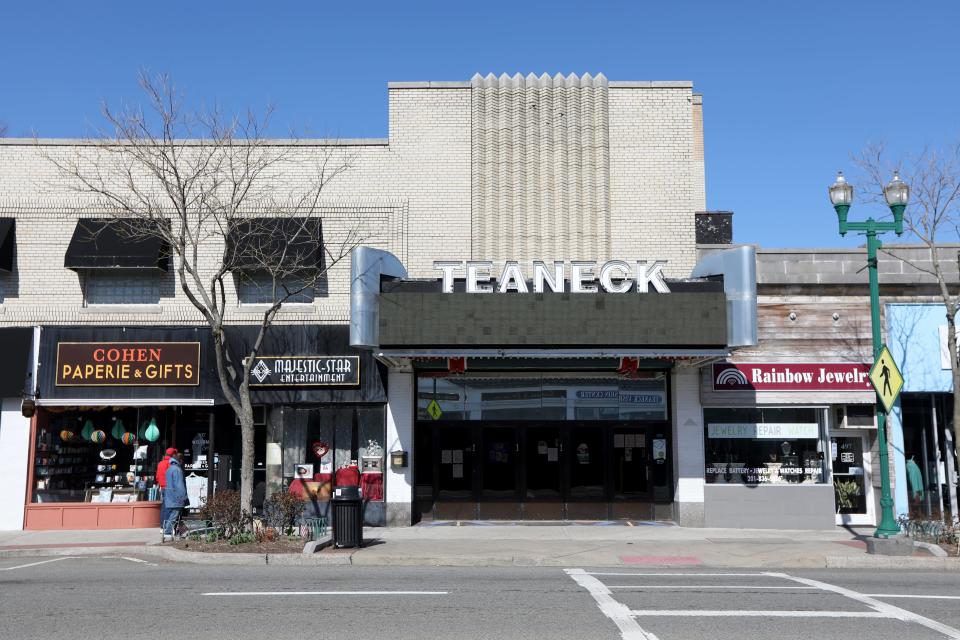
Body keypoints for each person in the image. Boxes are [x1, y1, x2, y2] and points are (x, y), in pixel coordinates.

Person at [162, 452, 189, 540]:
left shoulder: (169, 469)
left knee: (177, 515)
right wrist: (184, 497)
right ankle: (167, 532)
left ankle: (183, 531)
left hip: (170, 496)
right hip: (177, 497)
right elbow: (179, 485)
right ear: (180, 461)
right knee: (174, 515)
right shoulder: (177, 470)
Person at [156, 448, 177, 533]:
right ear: (173, 454)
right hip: (170, 487)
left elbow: (157, 476)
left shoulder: (160, 463)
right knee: (169, 507)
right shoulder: (171, 463)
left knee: (164, 507)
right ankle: (167, 527)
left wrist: (161, 484)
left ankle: (162, 526)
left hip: (163, 487)